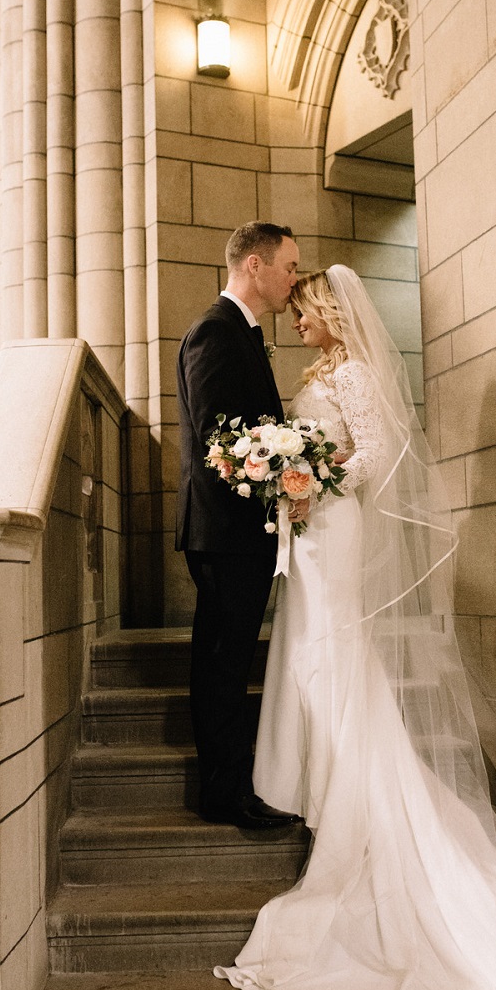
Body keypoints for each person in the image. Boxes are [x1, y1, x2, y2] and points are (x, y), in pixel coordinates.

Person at [214, 265, 496, 990]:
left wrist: (311, 474)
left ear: (327, 315)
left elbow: (378, 455)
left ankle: (365, 802)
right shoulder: (323, 373)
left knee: (339, 664)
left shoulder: (350, 373)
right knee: (319, 664)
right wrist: (295, 478)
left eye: (304, 314)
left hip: (334, 531)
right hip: (312, 533)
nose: (297, 325)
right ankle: (335, 777)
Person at [176, 221, 303, 831]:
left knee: (228, 661)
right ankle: (225, 793)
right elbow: (216, 440)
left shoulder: (244, 334)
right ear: (254, 265)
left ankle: (229, 786)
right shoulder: (214, 332)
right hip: (225, 533)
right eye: (289, 267)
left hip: (242, 533)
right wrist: (281, 471)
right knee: (224, 663)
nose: (293, 281)